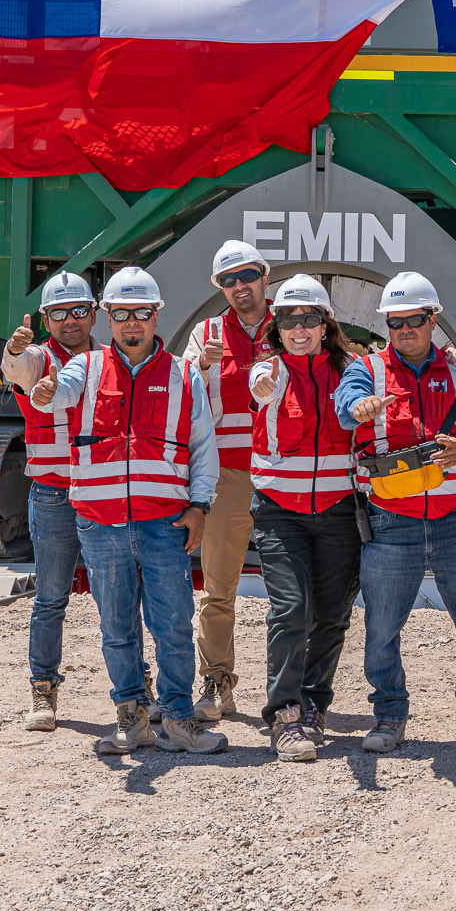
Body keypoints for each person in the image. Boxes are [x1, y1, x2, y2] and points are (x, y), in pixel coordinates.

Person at [32, 266, 225, 757]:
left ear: (157, 315)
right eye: (122, 315)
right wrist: (49, 392)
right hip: (101, 524)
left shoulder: (183, 375)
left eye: (142, 314)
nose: (132, 324)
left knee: (174, 625)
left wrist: (200, 505)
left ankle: (179, 721)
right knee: (117, 627)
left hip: (164, 523)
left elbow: (203, 447)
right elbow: (64, 388)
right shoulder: (88, 367)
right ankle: (131, 718)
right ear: (110, 318)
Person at [334, 272, 456, 753]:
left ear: (433, 320)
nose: (405, 329)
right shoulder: (368, 371)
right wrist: (361, 407)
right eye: (396, 321)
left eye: (416, 320)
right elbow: (347, 409)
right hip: (390, 521)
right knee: (383, 627)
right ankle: (388, 717)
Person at [243, 275, 362, 763]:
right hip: (279, 513)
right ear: (278, 326)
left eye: (308, 319)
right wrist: (264, 385)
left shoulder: (352, 370)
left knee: (333, 614)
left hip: (338, 512)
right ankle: (285, 716)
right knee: (290, 611)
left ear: (324, 324)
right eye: (289, 320)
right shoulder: (267, 371)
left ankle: (315, 704)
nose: (298, 328)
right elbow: (257, 390)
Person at [180, 239, 274, 721]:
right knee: (219, 588)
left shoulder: (295, 322)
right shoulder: (207, 332)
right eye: (228, 281)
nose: (240, 286)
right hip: (230, 475)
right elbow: (181, 386)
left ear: (265, 276)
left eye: (247, 276)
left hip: (285, 473)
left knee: (297, 590)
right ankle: (217, 681)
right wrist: (201, 364)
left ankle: (293, 691)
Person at [1, 271, 98, 732]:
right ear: (45, 319)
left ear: (93, 313)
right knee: (52, 597)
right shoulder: (38, 360)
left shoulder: (108, 358)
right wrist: (15, 349)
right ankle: (43, 692)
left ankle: (138, 691)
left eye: (78, 311)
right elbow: (17, 370)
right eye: (59, 313)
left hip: (103, 492)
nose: (70, 321)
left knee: (118, 598)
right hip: (55, 493)